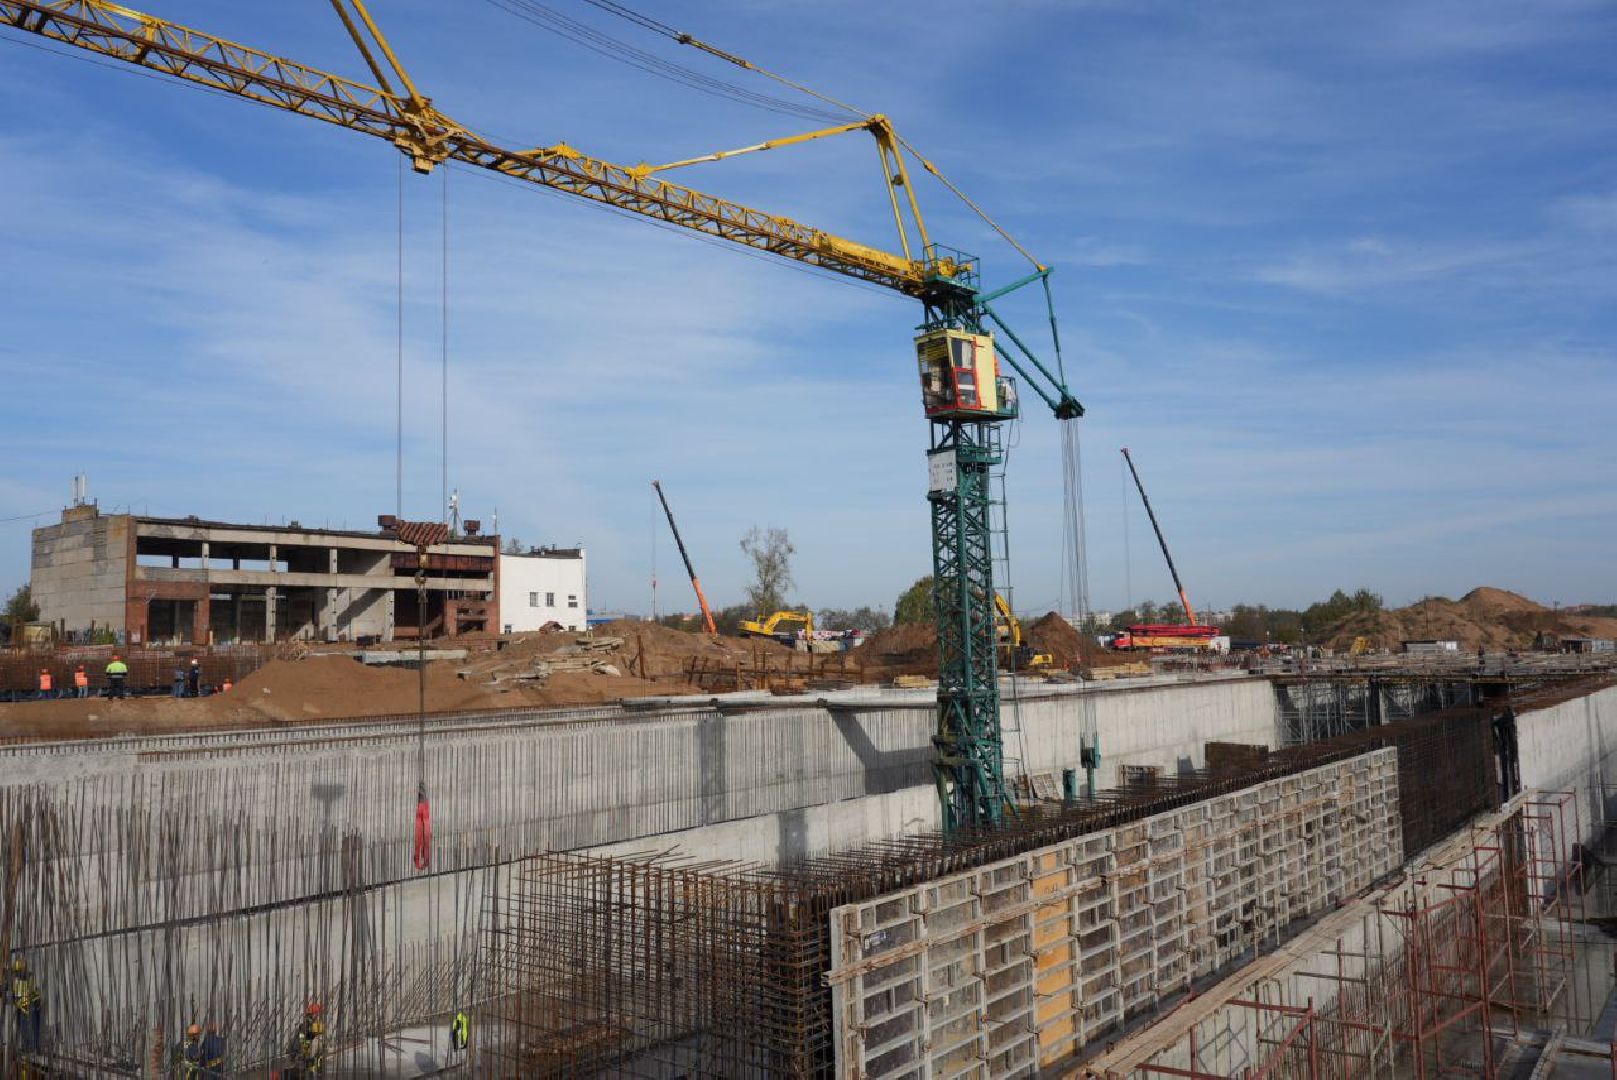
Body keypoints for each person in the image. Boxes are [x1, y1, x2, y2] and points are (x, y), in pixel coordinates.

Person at [7, 956, 41, 1054]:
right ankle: (30, 1047)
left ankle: (30, 1048)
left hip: (26, 1005)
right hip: (24, 1005)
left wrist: (36, 1001)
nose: (15, 974)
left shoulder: (25, 978)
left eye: (16, 972)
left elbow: (31, 991)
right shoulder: (22, 978)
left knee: (27, 1026)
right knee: (25, 1026)